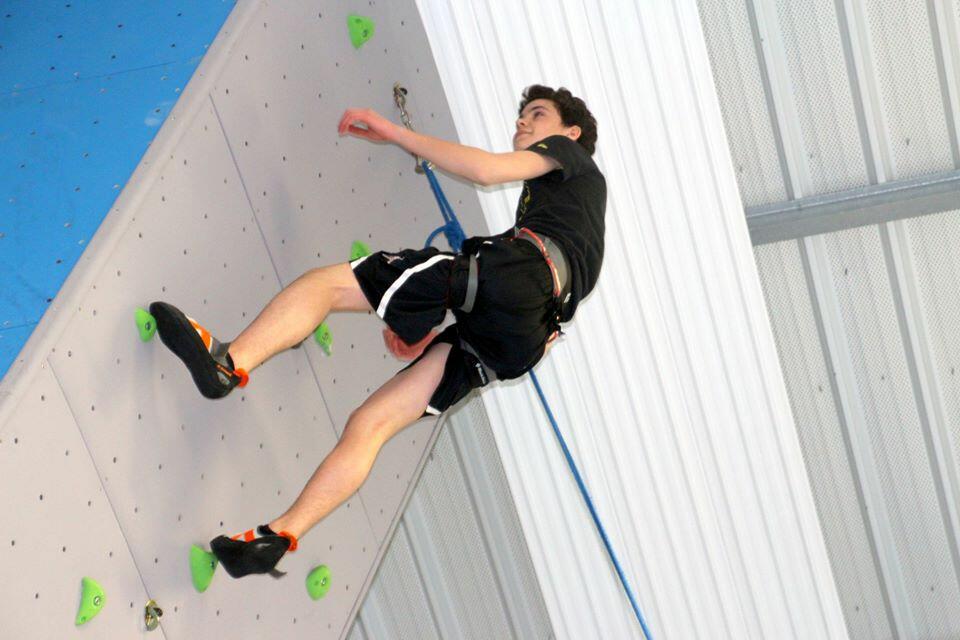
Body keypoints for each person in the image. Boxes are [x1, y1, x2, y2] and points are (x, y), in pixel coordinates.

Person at [150, 84, 605, 578]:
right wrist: (428, 324)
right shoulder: (571, 219)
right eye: (523, 115)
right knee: (371, 424)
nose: (522, 122)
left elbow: (485, 171)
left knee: (327, 286)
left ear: (570, 133)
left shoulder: (570, 158)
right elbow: (509, 304)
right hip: (520, 342)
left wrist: (395, 133)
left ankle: (228, 362)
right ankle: (277, 537)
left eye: (537, 114)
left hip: (520, 279)